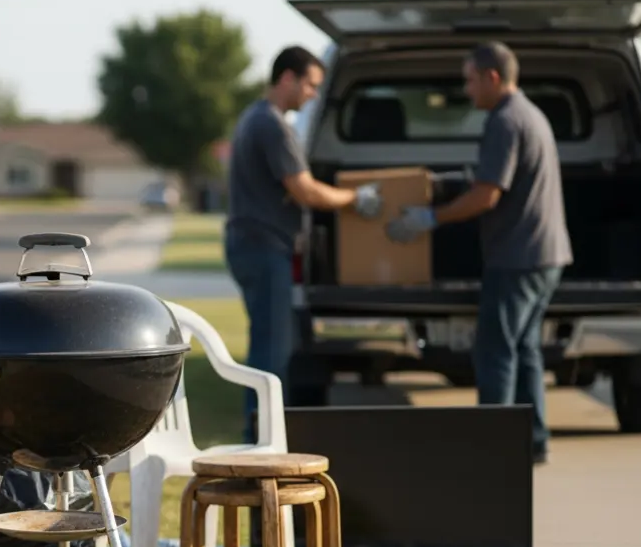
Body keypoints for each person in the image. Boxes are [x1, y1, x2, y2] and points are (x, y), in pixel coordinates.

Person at [386, 41, 574, 465]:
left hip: (518, 257)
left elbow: (487, 196)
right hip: (547, 254)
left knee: (494, 349)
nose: (467, 90)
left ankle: (493, 447)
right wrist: (450, 181)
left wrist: (431, 218)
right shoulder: (529, 114)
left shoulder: (504, 121)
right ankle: (533, 440)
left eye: (470, 79)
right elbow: (494, 177)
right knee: (524, 347)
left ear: (492, 77)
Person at [224, 45, 383, 442]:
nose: (313, 94)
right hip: (263, 248)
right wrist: (355, 198)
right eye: (310, 85)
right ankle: (261, 443)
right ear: (288, 78)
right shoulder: (272, 124)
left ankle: (264, 436)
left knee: (272, 343)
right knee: (270, 353)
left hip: (253, 245)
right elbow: (304, 189)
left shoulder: (254, 117)